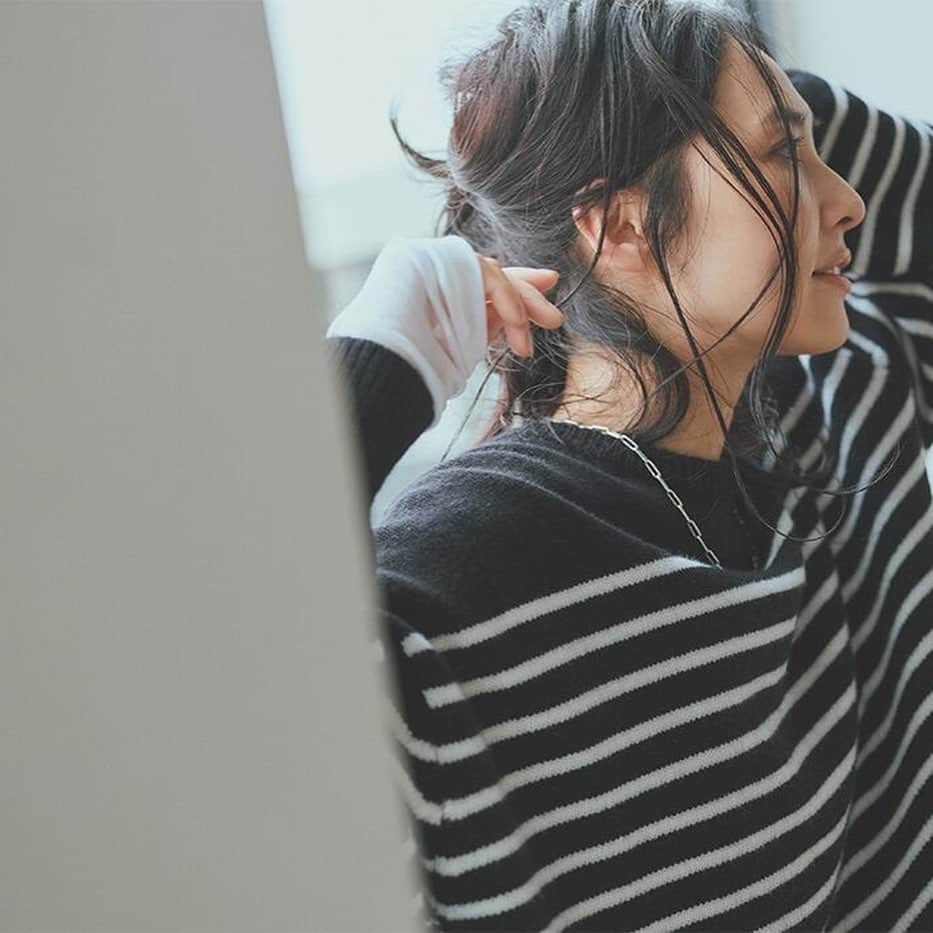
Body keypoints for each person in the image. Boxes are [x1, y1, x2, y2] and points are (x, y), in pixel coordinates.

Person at [325, 0, 933, 929]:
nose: (845, 198)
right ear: (620, 228)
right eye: (784, 157)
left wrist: (695, 63)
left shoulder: (848, 410)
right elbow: (232, 687)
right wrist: (376, 362)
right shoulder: (455, 581)